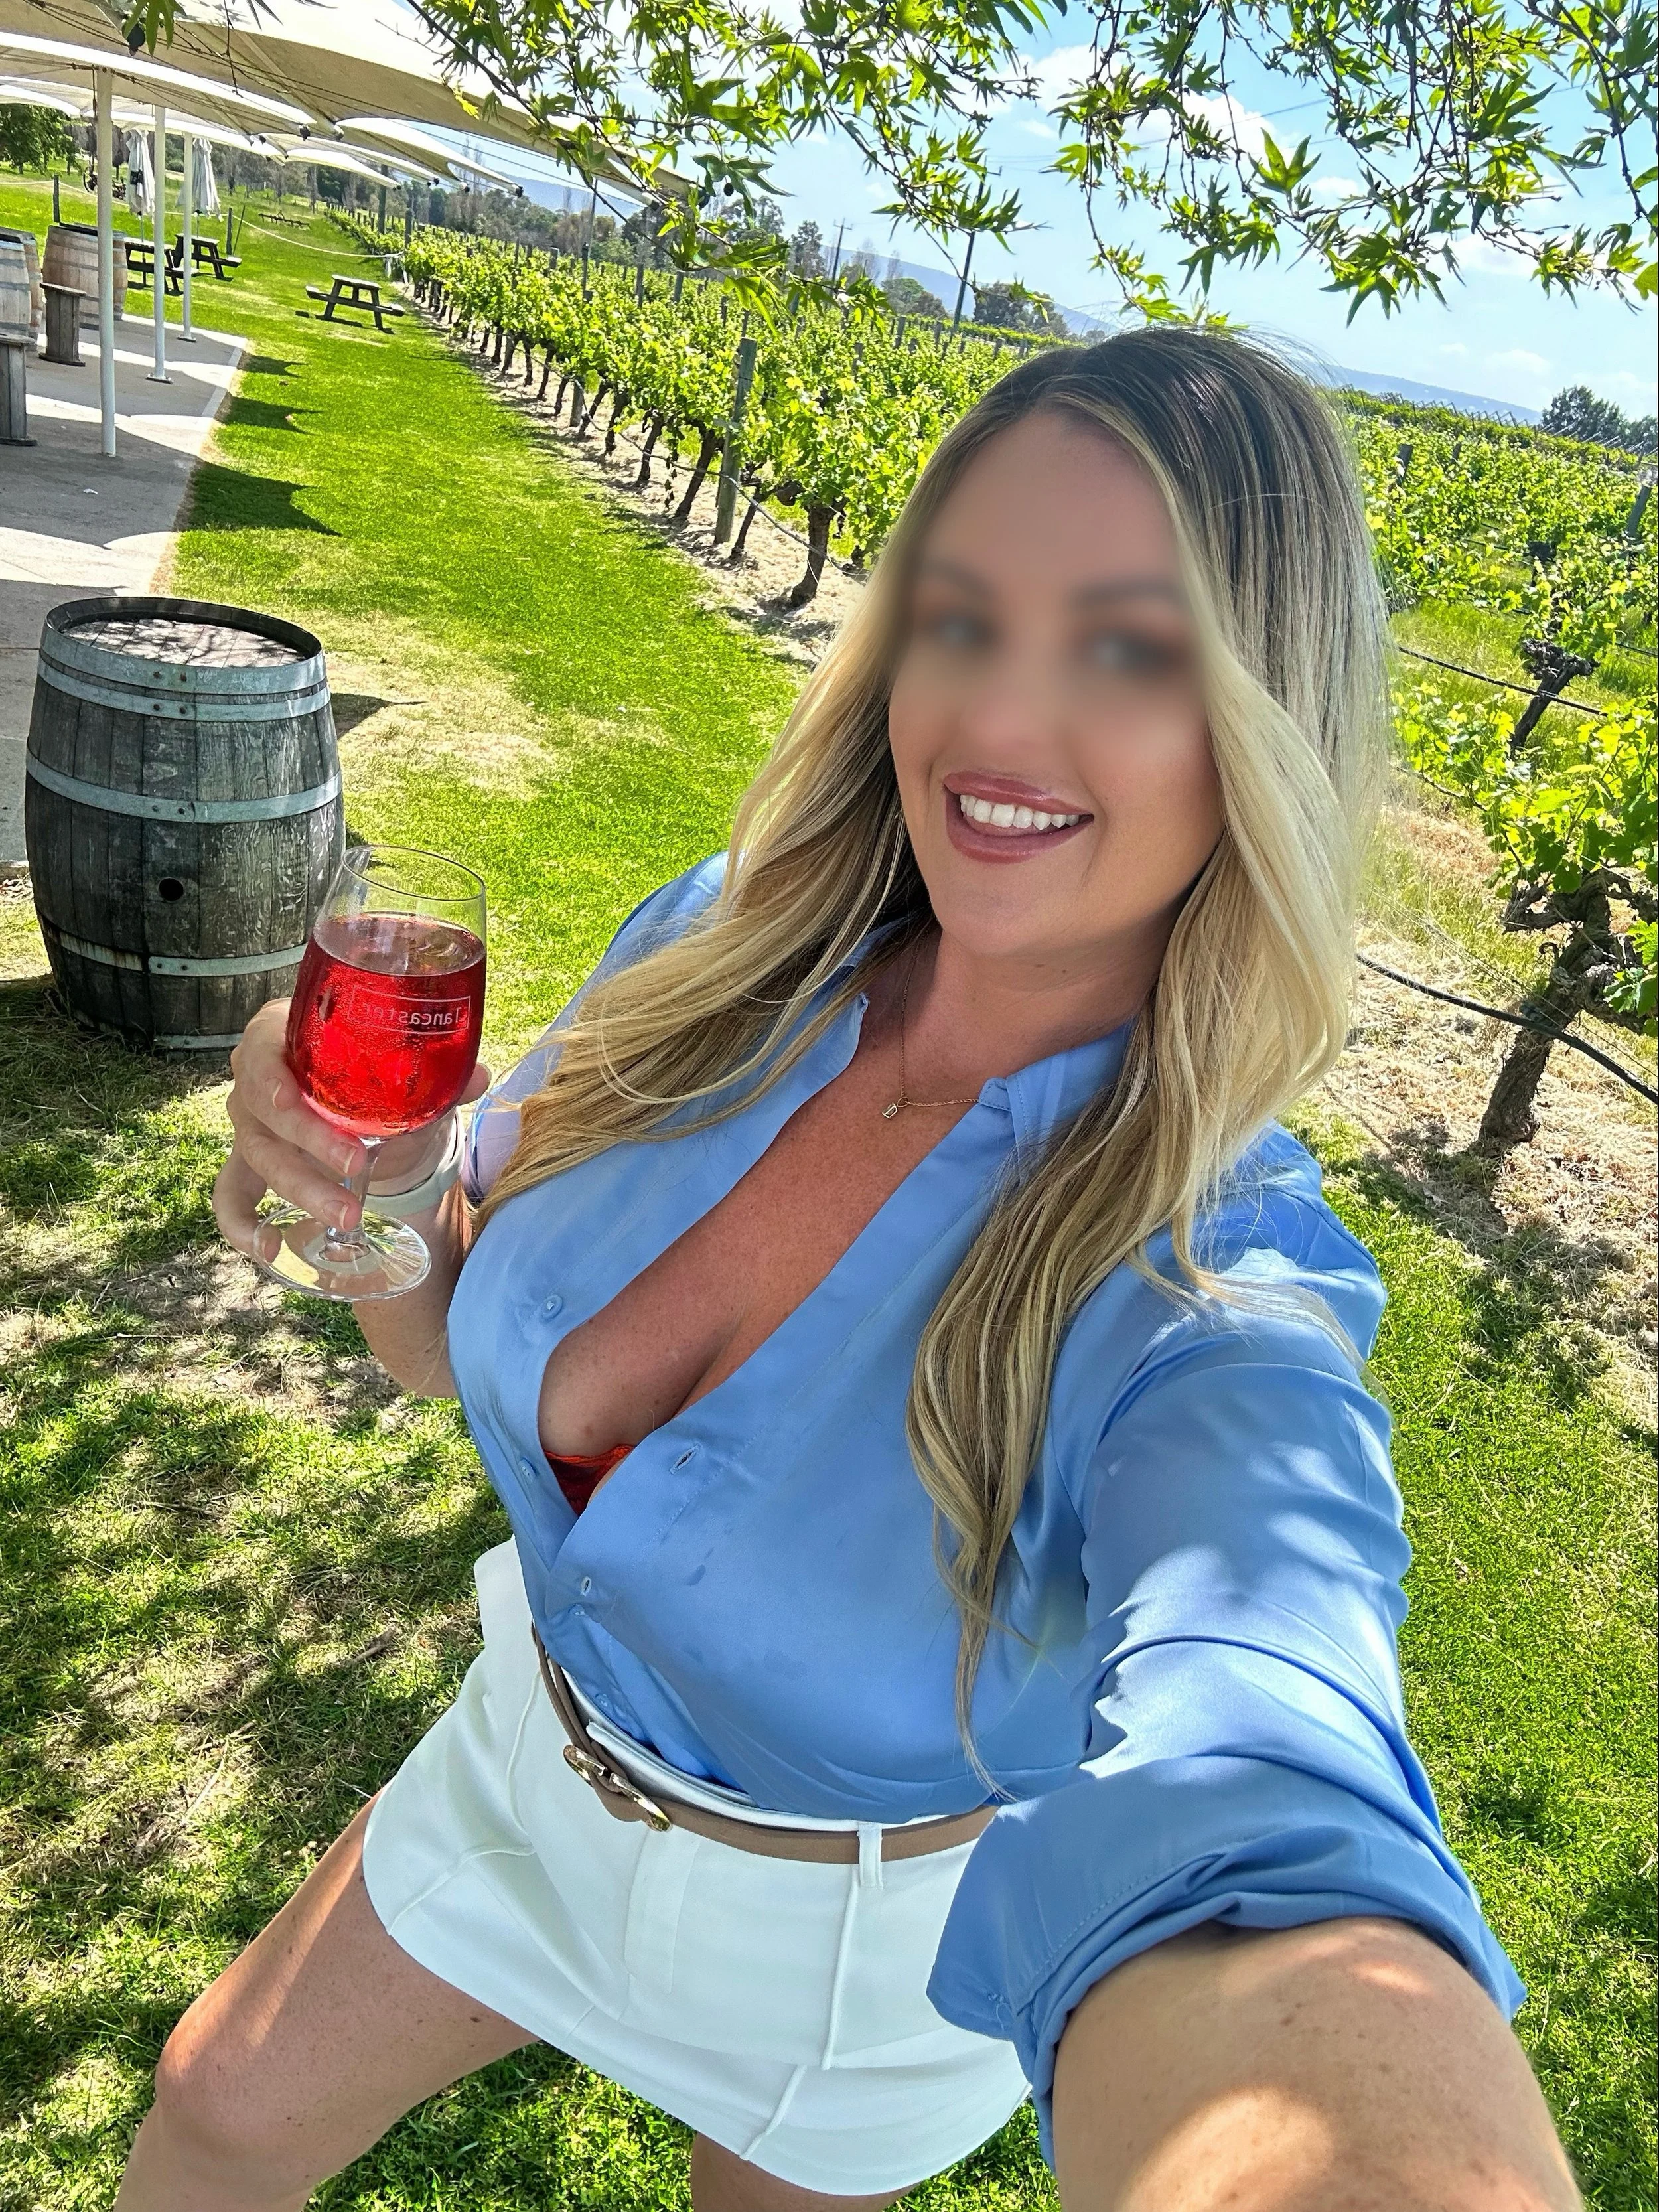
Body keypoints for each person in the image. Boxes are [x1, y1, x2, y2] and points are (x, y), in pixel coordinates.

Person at [117, 331, 1580, 2212]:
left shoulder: (1213, 1282)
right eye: (958, 616)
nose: (994, 720)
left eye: (1127, 645)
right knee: (215, 2110)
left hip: (851, 1951)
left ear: (1258, 716)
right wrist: (364, 1199)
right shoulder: (724, 949)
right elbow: (441, 1331)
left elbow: (1262, 1750)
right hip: (524, 1754)